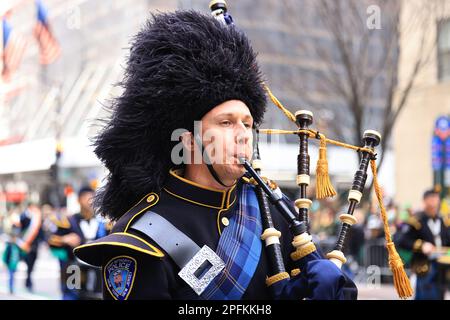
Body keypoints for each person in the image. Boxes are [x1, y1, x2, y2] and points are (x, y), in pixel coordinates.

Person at [74, 10, 356, 300]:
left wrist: (334, 288)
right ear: (189, 141)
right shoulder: (142, 234)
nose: (243, 134)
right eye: (226, 122)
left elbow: (334, 287)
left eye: (247, 123)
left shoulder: (271, 208)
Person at [47, 186, 109, 299]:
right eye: (86, 197)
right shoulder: (68, 221)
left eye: (93, 197)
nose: (90, 201)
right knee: (71, 296)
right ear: (79, 200)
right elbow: (51, 241)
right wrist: (64, 239)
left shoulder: (102, 223)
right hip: (74, 269)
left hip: (97, 271)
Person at [397, 189, 450, 299]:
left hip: (442, 268)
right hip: (424, 267)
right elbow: (402, 240)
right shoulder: (416, 221)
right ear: (425, 201)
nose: (434, 203)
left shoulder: (444, 221)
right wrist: (422, 246)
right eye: (431, 199)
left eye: (436, 199)